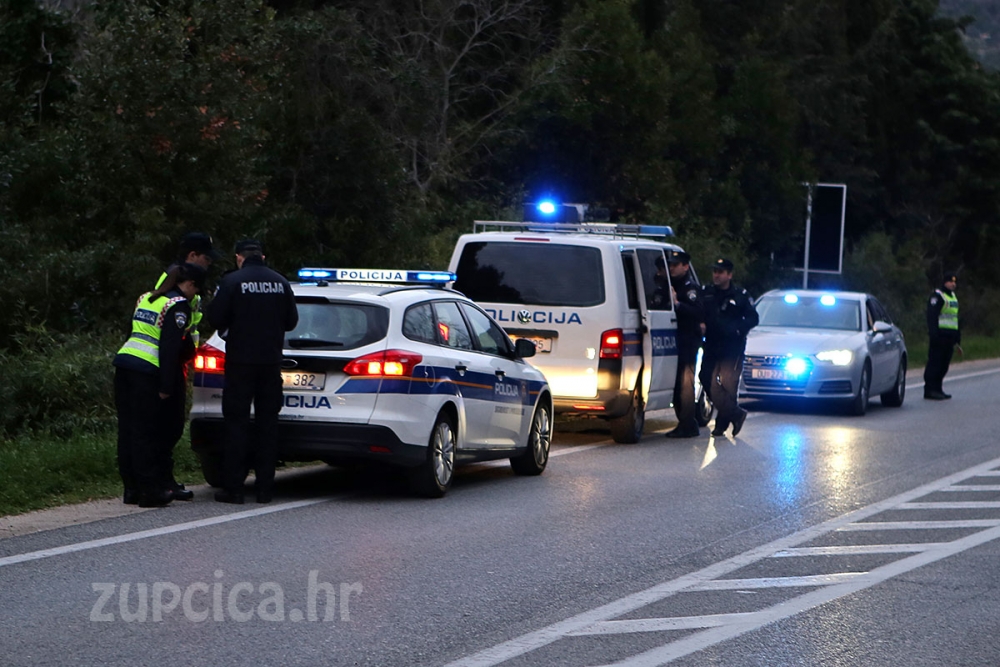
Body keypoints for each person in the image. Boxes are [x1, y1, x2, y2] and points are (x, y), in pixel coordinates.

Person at [208, 239, 298, 504]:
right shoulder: (281, 282)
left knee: (236, 424)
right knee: (267, 425)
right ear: (262, 256)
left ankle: (234, 489)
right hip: (270, 364)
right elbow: (292, 322)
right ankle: (265, 489)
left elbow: (215, 318)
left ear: (239, 258)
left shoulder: (232, 282)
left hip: (240, 364)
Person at [113, 263, 207, 507]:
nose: (194, 296)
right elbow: (169, 348)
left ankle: (131, 489)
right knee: (147, 433)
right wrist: (166, 386)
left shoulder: (147, 297)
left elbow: (133, 332)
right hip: (147, 371)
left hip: (124, 365)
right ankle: (150, 492)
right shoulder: (177, 306)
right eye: (195, 291)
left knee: (128, 430)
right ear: (190, 285)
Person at [150, 232, 221, 497]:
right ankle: (161, 481)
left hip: (175, 364)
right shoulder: (177, 287)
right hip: (165, 364)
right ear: (192, 257)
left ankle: (161, 479)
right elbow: (170, 333)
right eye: (206, 259)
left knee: (170, 427)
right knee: (166, 427)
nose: (209, 264)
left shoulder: (183, 285)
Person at [700, 258, 758, 437]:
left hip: (732, 347)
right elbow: (699, 311)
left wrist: (738, 329)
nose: (716, 275)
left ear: (729, 275)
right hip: (711, 344)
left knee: (728, 385)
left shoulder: (740, 295)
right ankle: (736, 414)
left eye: (720, 272)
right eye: (715, 271)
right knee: (705, 378)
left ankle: (721, 425)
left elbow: (753, 318)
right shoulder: (707, 293)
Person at [664, 251, 705, 438]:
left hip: (688, 340)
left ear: (685, 266)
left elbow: (697, 312)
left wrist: (678, 304)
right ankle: (687, 422)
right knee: (678, 384)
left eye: (675, 265)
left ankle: (688, 424)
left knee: (685, 384)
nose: (671, 268)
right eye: (670, 265)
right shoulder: (672, 284)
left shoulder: (690, 288)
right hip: (677, 340)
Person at [924, 271, 961, 400]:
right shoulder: (937, 296)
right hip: (939, 336)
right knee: (935, 363)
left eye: (954, 282)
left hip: (950, 337)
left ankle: (938, 388)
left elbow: (955, 318)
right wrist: (934, 335)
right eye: (951, 281)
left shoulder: (953, 297)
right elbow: (932, 317)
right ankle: (930, 389)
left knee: (944, 365)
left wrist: (957, 337)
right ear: (945, 282)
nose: (953, 284)